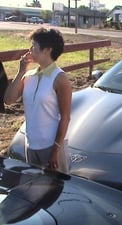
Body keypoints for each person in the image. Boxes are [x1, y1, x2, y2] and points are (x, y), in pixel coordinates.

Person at [4, 28, 72, 173]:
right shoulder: (29, 76)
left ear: (47, 50)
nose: (30, 50)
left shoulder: (60, 78)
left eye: (34, 45)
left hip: (52, 147)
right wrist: (21, 71)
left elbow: (65, 118)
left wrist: (56, 150)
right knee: (34, 189)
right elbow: (8, 100)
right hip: (31, 145)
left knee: (54, 191)